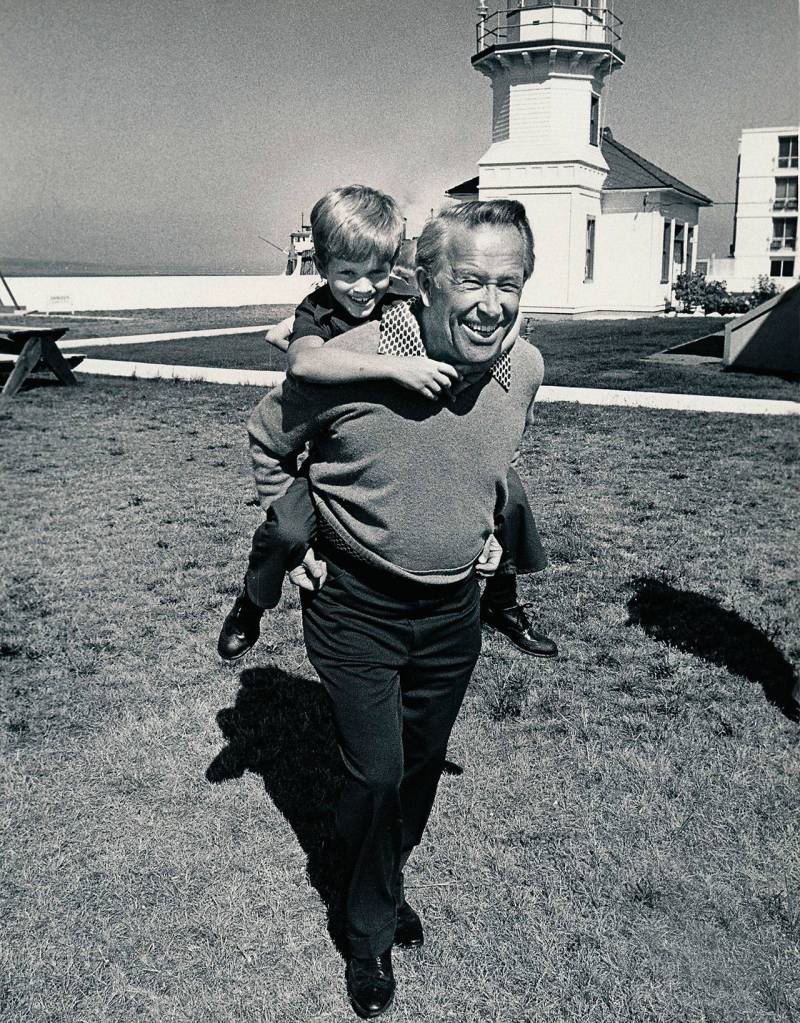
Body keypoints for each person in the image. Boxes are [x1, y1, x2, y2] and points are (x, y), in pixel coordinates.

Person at [246, 200, 545, 1018]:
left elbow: (497, 453)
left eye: (510, 284)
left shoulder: (525, 368)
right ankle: (367, 927)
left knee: (417, 766)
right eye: (472, 281)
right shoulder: (348, 360)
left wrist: (487, 528)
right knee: (377, 770)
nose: (492, 304)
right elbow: (268, 438)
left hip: (453, 612)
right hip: (355, 602)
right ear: (427, 280)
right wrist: (288, 530)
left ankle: (378, 875)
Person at [218, 185, 556, 664]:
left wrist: (492, 349)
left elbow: (501, 317)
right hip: (336, 455)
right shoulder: (318, 311)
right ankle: (252, 602)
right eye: (348, 273)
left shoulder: (406, 294)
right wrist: (396, 368)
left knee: (506, 495)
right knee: (286, 531)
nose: (364, 287)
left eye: (377, 272)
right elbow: (302, 363)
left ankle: (502, 598)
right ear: (322, 267)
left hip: (428, 438)